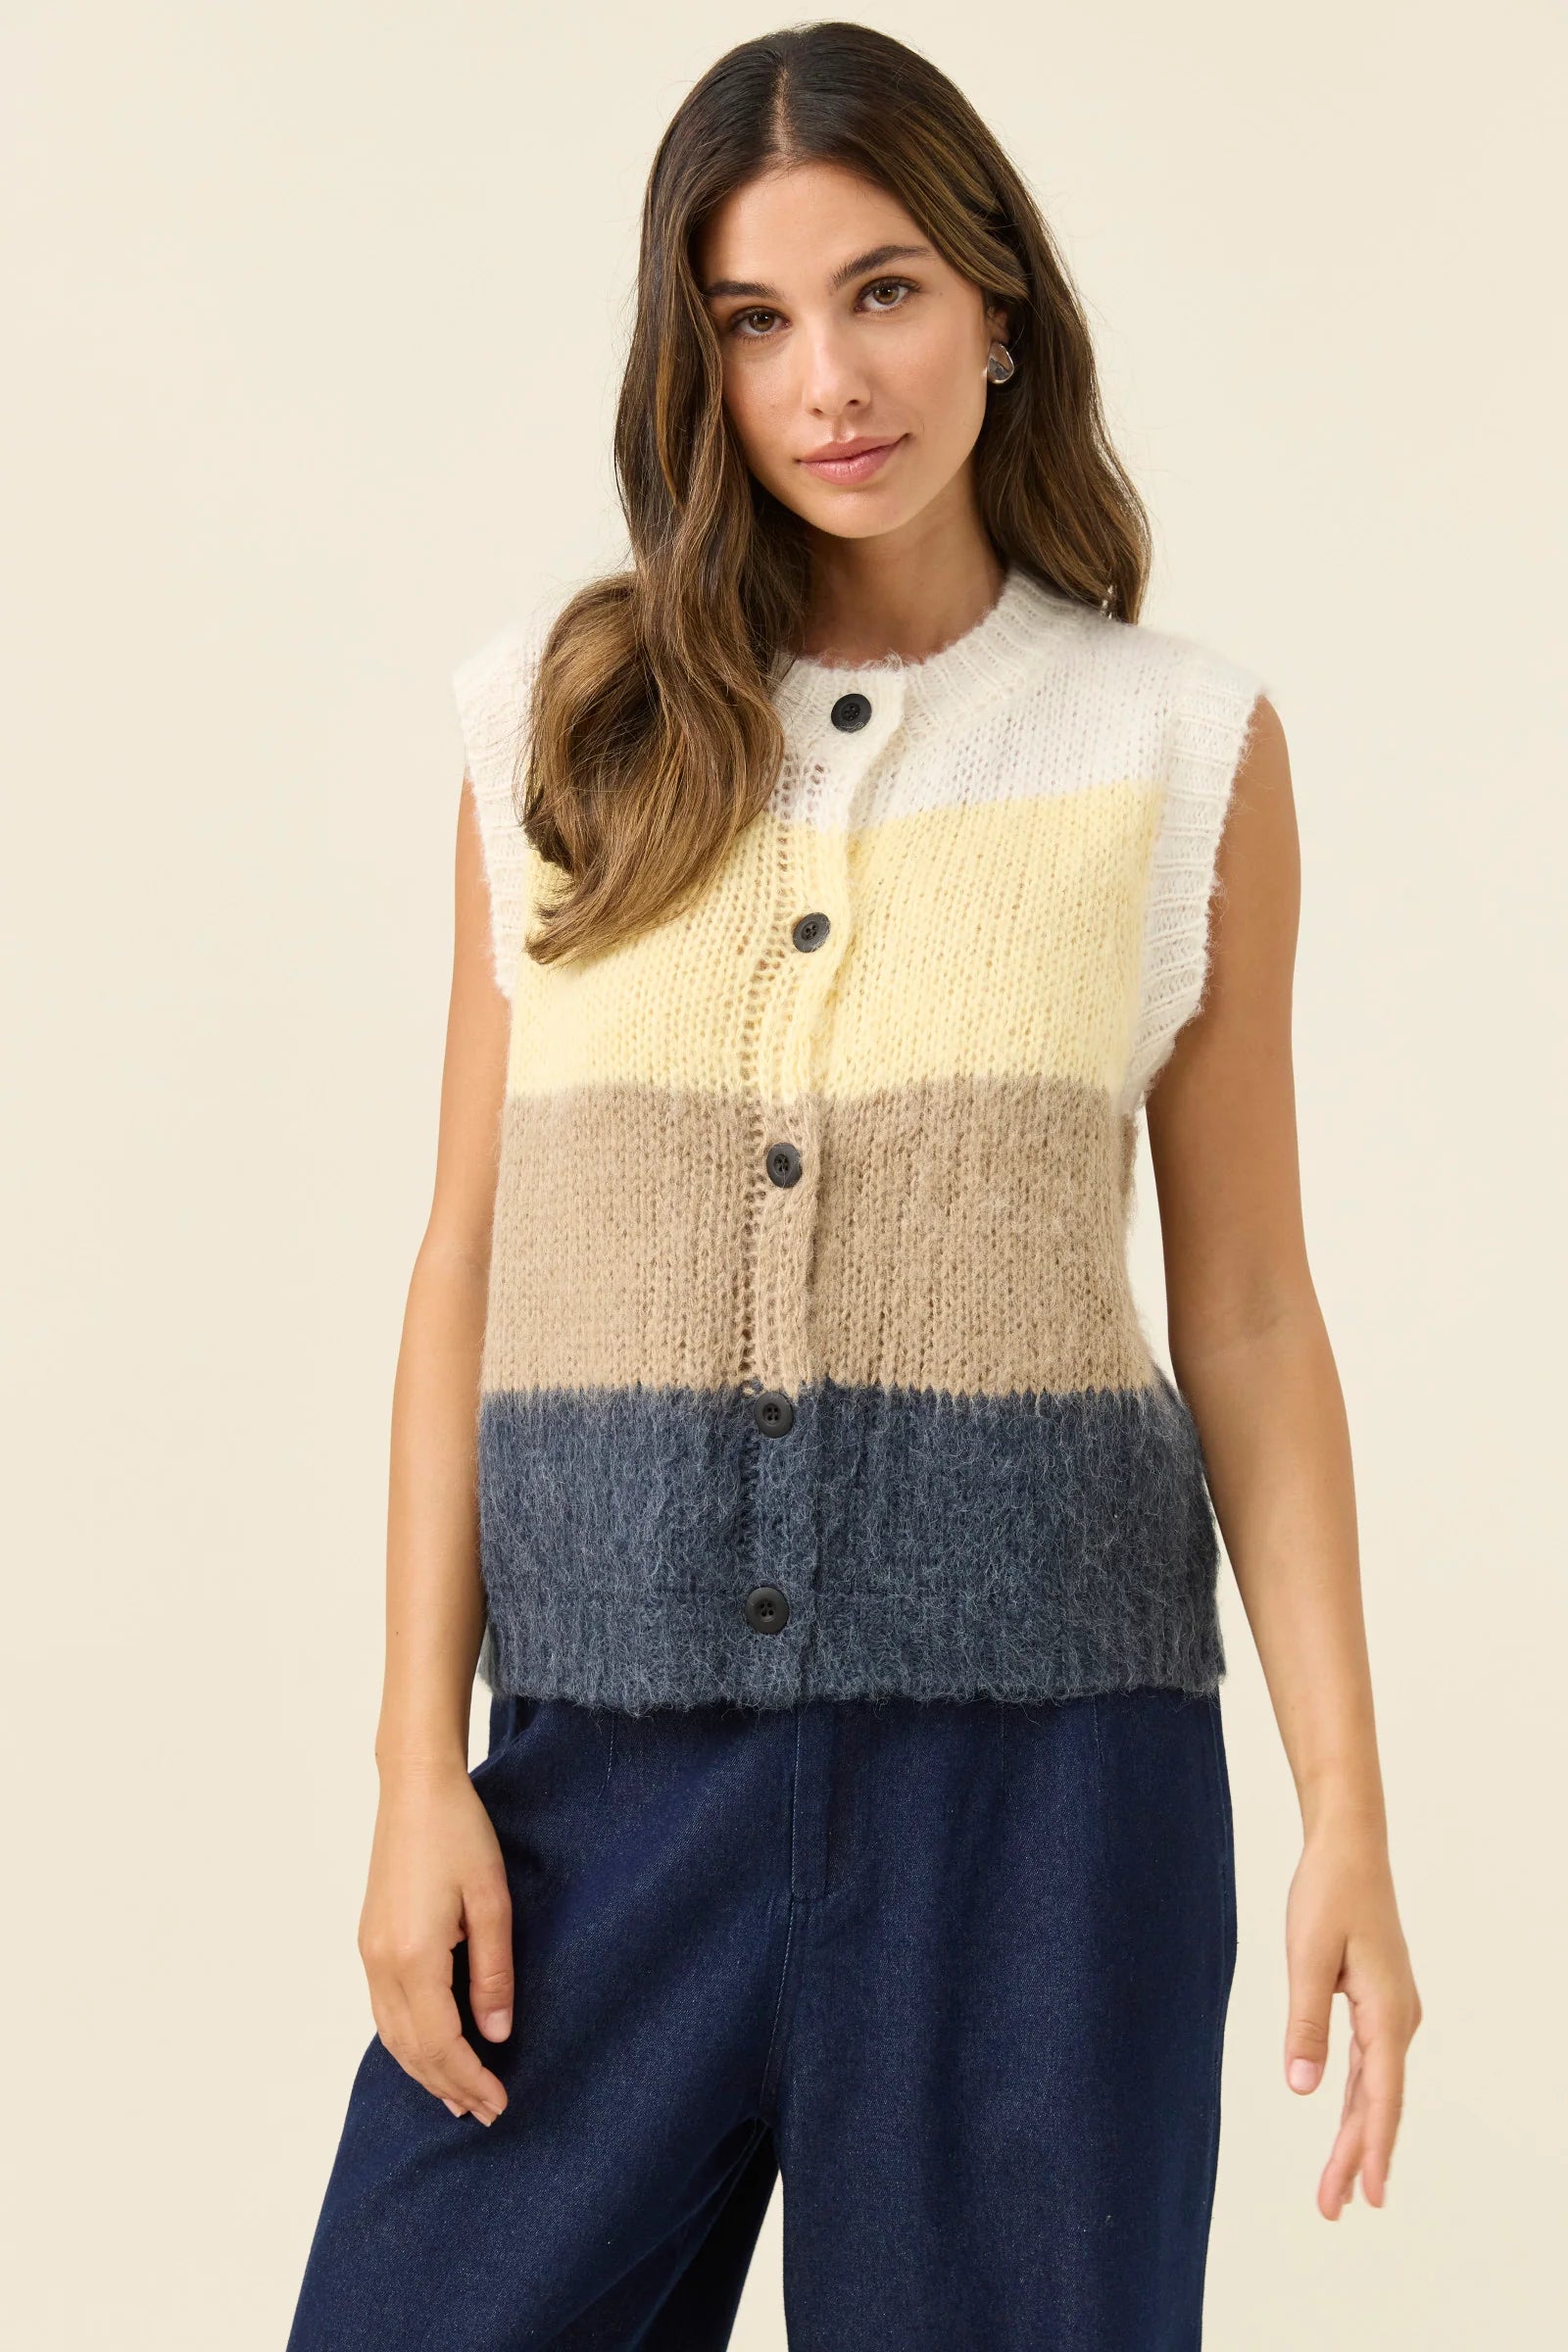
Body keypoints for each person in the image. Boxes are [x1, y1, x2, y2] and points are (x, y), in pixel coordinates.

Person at [285, 22, 1422, 2349]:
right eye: (753, 319)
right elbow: (464, 1258)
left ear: (996, 306)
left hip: (1043, 1808)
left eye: (882, 291)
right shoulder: (557, 726)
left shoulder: (1172, 744)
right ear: (691, 360)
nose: (827, 379)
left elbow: (1245, 1307)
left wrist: (1345, 1806)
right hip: (597, 1789)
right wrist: (417, 1768)